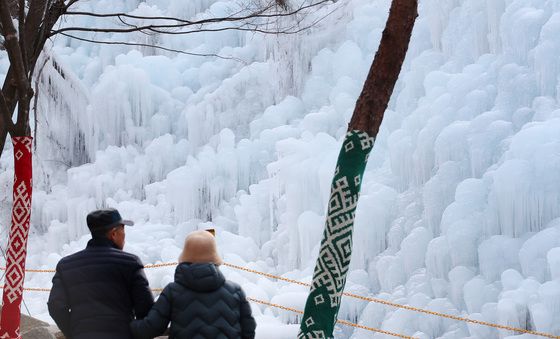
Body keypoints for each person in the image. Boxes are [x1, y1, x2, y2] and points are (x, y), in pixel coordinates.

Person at [48, 208, 154, 339]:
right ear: (114, 234)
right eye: (123, 230)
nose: (124, 236)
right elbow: (146, 307)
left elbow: (55, 306)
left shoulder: (65, 265)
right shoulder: (130, 262)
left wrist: (74, 333)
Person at [130, 230, 256, 339]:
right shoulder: (236, 291)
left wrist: (124, 323)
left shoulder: (172, 292)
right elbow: (249, 329)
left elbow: (150, 328)